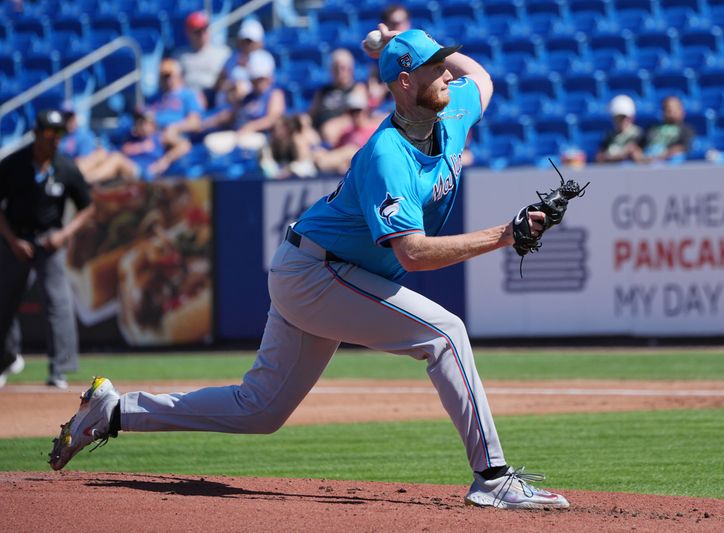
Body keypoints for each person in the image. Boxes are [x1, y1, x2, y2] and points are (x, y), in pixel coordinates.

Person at [48, 28, 570, 511]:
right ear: (406, 82)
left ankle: (113, 410)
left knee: (259, 411)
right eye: (436, 66)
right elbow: (413, 253)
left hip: (325, 271)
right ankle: (493, 477)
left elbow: (483, 77)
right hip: (316, 273)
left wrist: (396, 39)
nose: (450, 74)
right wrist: (505, 235)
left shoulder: (452, 110)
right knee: (447, 335)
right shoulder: (387, 154)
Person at [0, 110, 95, 389]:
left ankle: (59, 369)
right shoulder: (14, 164)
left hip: (49, 241)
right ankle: (5, 359)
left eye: (59, 134)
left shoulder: (66, 167)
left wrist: (64, 234)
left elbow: (87, 207)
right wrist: (11, 240)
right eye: (49, 134)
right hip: (15, 240)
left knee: (58, 303)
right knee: (3, 302)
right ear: (37, 134)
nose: (54, 140)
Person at [202, 50, 286, 157]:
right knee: (211, 142)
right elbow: (232, 115)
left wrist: (251, 127)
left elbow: (272, 118)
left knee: (244, 143)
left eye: (260, 79)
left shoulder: (274, 94)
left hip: (262, 136)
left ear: (268, 78)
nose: (257, 83)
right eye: (254, 80)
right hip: (239, 133)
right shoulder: (248, 97)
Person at [59, 105, 139, 184]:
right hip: (107, 167)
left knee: (111, 157)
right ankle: (77, 180)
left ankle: (80, 180)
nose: (69, 121)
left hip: (137, 171)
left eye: (71, 118)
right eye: (66, 118)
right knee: (103, 155)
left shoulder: (83, 135)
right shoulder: (61, 137)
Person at [307, 48, 368, 146]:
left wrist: (331, 125)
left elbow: (357, 116)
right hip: (319, 128)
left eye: (343, 68)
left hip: (340, 128)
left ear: (350, 69)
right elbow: (311, 114)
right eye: (336, 68)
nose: (339, 72)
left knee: (329, 130)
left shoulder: (357, 88)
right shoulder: (323, 91)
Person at [174, 11, 232, 105]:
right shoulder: (180, 55)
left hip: (216, 96)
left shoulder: (223, 53)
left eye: (204, 29)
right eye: (197, 31)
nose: (202, 34)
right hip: (189, 100)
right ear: (188, 33)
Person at [117, 109, 191, 181]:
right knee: (111, 157)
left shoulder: (160, 137)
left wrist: (165, 161)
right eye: (138, 122)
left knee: (116, 159)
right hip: (126, 172)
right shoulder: (131, 138)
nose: (140, 125)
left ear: (152, 124)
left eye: (143, 122)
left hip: (144, 173)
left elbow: (185, 145)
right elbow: (123, 151)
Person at [146, 58, 205, 146]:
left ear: (178, 75)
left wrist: (174, 127)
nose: (165, 79)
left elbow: (195, 123)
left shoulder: (188, 95)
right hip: (152, 137)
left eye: (168, 75)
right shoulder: (154, 97)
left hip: (175, 137)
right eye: (162, 76)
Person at [638, 95, 694, 162]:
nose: (668, 112)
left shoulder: (686, 129)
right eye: (665, 109)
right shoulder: (652, 127)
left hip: (667, 164)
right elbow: (640, 145)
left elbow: (684, 147)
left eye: (672, 109)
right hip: (645, 164)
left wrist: (662, 156)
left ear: (681, 111)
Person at [595, 94, 643, 163]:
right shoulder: (609, 136)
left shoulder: (638, 134)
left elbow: (637, 156)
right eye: (617, 118)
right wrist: (621, 155)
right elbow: (599, 157)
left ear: (631, 117)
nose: (620, 121)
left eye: (623, 117)